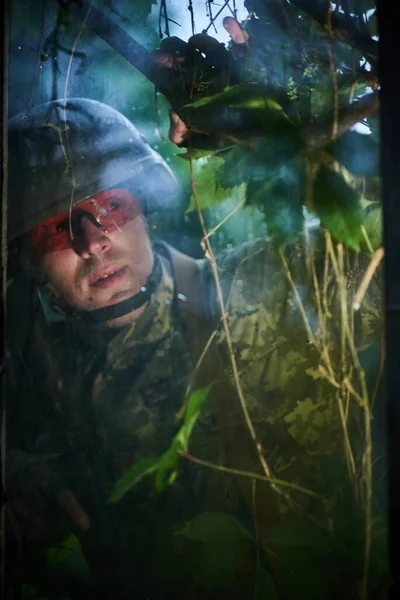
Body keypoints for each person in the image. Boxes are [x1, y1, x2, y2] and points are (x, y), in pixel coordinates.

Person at [5, 98, 385, 599]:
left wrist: (261, 126)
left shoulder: (268, 285)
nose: (92, 242)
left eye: (110, 206)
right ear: (28, 262)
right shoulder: (33, 382)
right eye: (57, 227)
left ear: (144, 210)